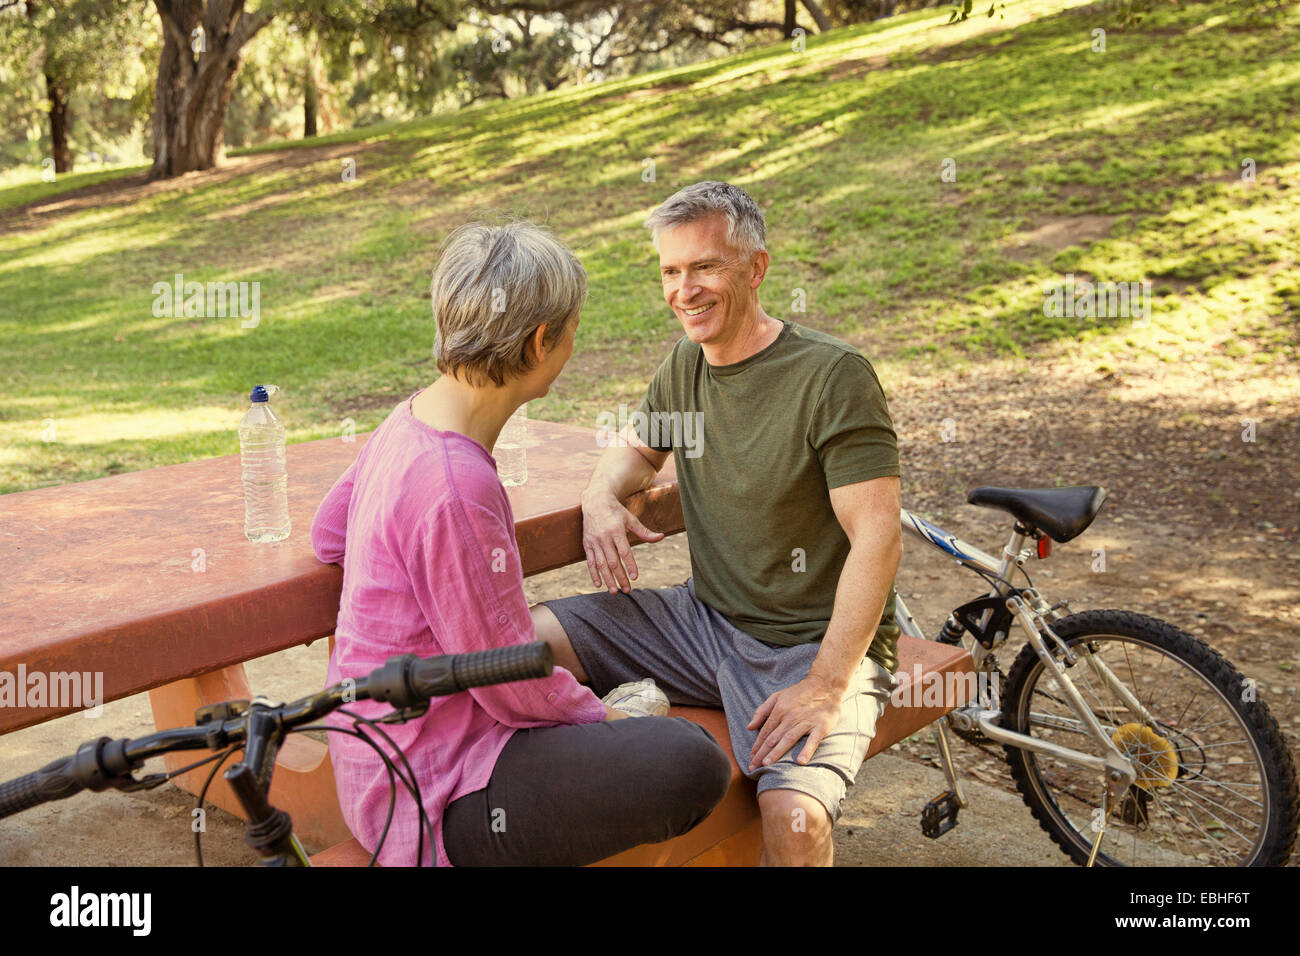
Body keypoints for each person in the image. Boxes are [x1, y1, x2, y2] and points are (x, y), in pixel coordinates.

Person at [310, 220, 731, 867]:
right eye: (572, 330)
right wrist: (615, 724)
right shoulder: (457, 484)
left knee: (602, 666)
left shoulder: (409, 420)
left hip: (379, 753)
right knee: (686, 760)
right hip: (430, 789)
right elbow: (509, 683)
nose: (572, 344)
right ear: (541, 342)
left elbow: (327, 533)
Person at [531, 182, 904, 866]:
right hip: (701, 624)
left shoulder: (832, 376)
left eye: (705, 267)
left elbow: (878, 537)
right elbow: (639, 452)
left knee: (793, 823)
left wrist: (825, 685)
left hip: (811, 646)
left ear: (756, 268)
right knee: (524, 645)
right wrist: (599, 495)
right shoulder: (686, 366)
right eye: (671, 271)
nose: (685, 290)